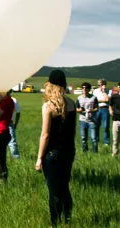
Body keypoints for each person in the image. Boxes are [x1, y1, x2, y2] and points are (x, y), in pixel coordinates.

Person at [35, 69, 77, 226]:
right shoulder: (71, 103)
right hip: (68, 151)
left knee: (54, 191)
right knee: (65, 187)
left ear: (50, 85)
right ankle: (67, 219)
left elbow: (45, 135)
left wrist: (39, 158)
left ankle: (55, 223)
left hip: (52, 154)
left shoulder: (48, 106)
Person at [0, 90, 21, 159]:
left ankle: (16, 157)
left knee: (12, 142)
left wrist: (15, 124)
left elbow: (18, 112)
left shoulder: (12, 100)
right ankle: (1, 156)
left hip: (8, 123)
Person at [77, 82, 99, 153]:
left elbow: (97, 108)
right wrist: (79, 110)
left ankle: (95, 152)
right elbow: (76, 109)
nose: (84, 89)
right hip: (82, 120)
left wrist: (91, 110)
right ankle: (85, 152)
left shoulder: (93, 98)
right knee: (83, 138)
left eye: (86, 88)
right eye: (83, 88)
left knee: (93, 138)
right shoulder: (79, 98)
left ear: (89, 89)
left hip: (92, 120)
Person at [93, 79, 112, 146]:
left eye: (100, 84)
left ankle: (106, 142)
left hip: (105, 109)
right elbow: (94, 101)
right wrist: (102, 100)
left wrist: (104, 92)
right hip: (97, 108)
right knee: (96, 125)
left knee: (106, 126)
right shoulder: (95, 91)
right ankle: (96, 140)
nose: (99, 86)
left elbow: (107, 99)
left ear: (104, 84)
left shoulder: (109, 91)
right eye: (98, 84)